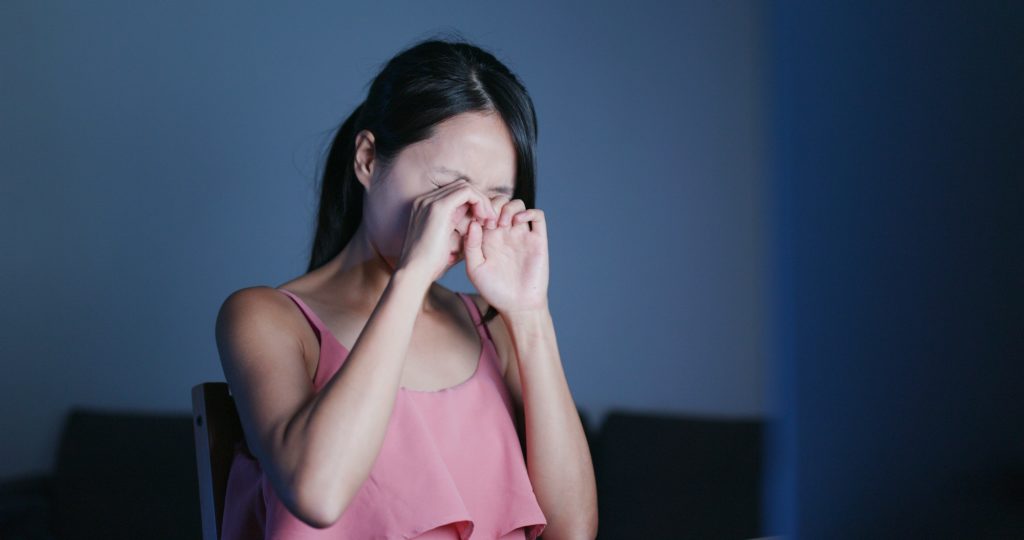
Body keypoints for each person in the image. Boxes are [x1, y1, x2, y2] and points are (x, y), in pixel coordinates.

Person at [214, 36, 598, 539]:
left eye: (495, 198)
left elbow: (573, 532)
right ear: (369, 160)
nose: (468, 216)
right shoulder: (267, 318)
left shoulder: (491, 325)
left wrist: (530, 315)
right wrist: (411, 277)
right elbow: (319, 495)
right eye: (446, 187)